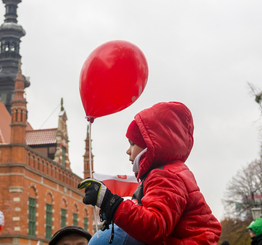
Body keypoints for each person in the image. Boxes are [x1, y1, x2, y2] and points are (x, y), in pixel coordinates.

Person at [78, 102, 222, 244]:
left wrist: (111, 204)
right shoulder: (170, 171)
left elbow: (156, 227)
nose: (128, 151)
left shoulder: (166, 175)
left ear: (151, 144)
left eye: (132, 143)